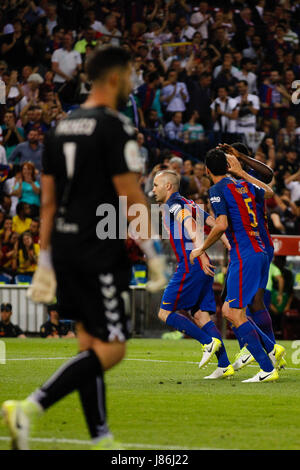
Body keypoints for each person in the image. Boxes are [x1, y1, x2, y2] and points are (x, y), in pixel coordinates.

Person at [2, 46, 166, 451]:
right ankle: (30, 407)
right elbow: (130, 196)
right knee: (112, 349)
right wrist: (155, 252)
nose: (131, 82)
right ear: (114, 77)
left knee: (88, 344)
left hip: (65, 246)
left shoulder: (61, 127)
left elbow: (48, 203)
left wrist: (43, 261)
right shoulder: (115, 127)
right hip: (98, 248)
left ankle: (101, 436)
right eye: (129, 74)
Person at [190, 148, 285, 383]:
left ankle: (266, 367)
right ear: (228, 166)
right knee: (232, 311)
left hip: (245, 253)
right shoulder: (243, 185)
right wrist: (242, 173)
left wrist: (201, 248)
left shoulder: (217, 190)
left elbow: (221, 225)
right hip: (260, 251)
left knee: (232, 312)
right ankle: (271, 350)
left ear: (208, 170)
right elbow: (270, 191)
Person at [152, 169, 233, 379]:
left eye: (155, 185)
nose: (153, 190)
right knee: (200, 315)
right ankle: (224, 364)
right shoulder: (188, 202)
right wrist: (229, 247)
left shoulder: (174, 205)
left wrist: (201, 253)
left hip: (192, 265)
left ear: (168, 186)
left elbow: (189, 224)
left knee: (164, 313)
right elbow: (215, 224)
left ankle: (207, 342)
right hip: (201, 265)